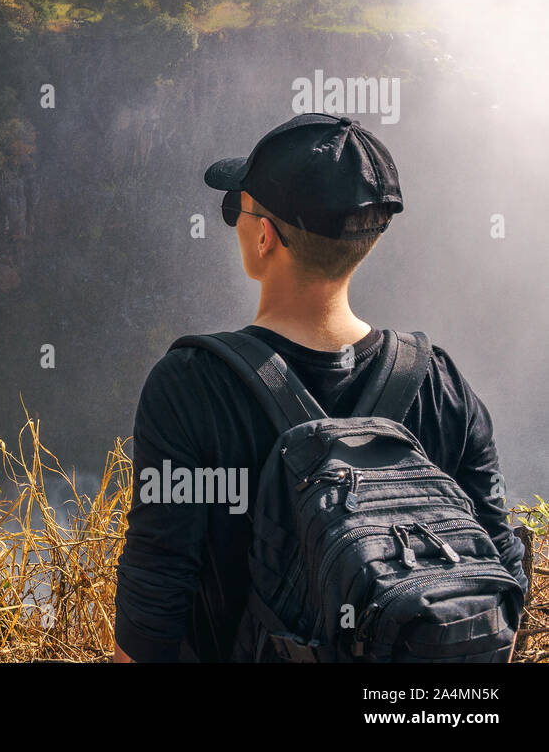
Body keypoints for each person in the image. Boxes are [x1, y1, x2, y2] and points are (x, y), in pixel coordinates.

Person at [112, 113, 529, 662]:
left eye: (237, 205)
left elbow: (153, 609)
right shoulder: (441, 385)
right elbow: (504, 584)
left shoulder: (191, 386)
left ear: (264, 236)